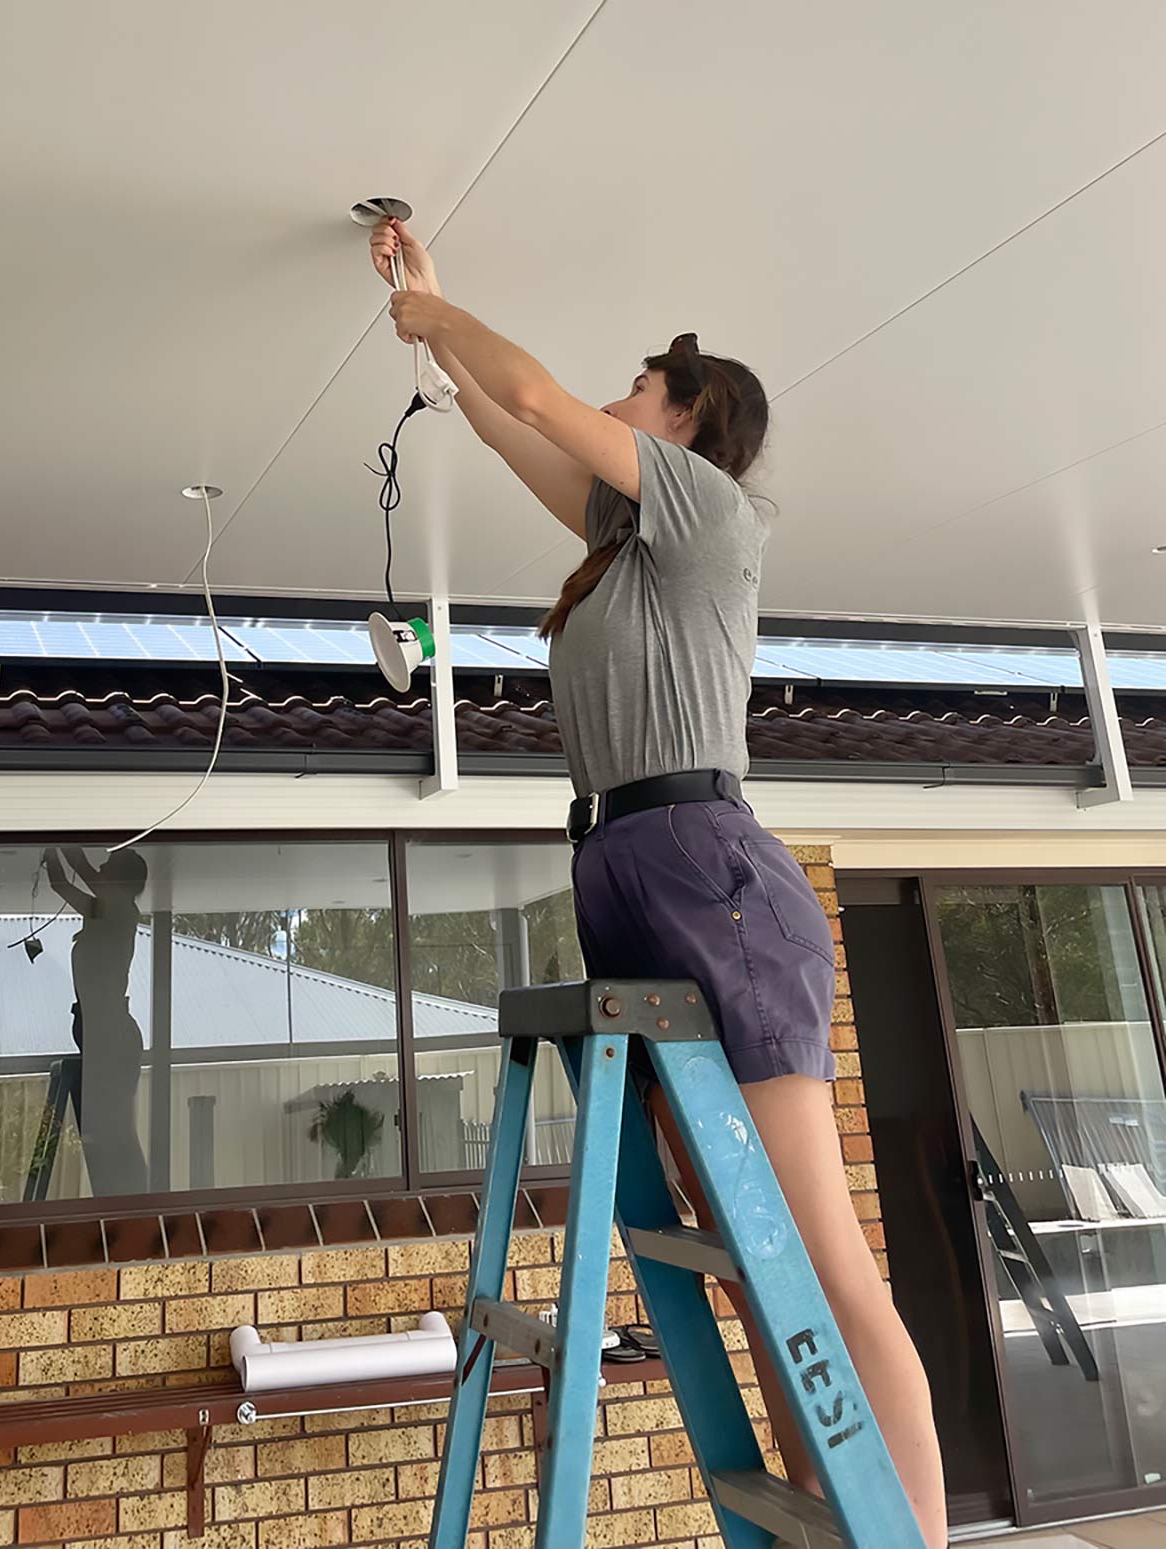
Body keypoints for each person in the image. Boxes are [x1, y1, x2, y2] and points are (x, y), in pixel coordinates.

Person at [370, 219, 947, 1548]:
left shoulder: (707, 511)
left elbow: (532, 396)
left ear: (687, 418)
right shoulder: (627, 539)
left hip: (708, 874)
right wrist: (433, 316)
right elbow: (508, 425)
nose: (613, 398)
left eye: (636, 386)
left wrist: (442, 320)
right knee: (748, 1261)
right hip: (625, 869)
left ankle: (906, 1531)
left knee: (814, 1253)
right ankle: (833, 1517)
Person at [43, 847, 149, 1196]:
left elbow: (81, 868)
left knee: (113, 1129)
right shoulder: (102, 911)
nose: (101, 869)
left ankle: (132, 1202)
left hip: (109, 1030)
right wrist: (52, 851)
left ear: (121, 881)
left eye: (109, 866)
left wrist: (61, 839)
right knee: (110, 1129)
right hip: (100, 1028)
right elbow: (61, 884)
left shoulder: (120, 910)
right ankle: (127, 1201)